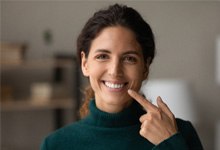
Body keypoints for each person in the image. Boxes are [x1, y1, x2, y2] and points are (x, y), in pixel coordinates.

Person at [41, 4, 203, 150]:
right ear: (85, 64)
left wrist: (170, 144)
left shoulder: (180, 135)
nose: (114, 71)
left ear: (145, 67)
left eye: (129, 58)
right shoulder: (56, 144)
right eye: (103, 56)